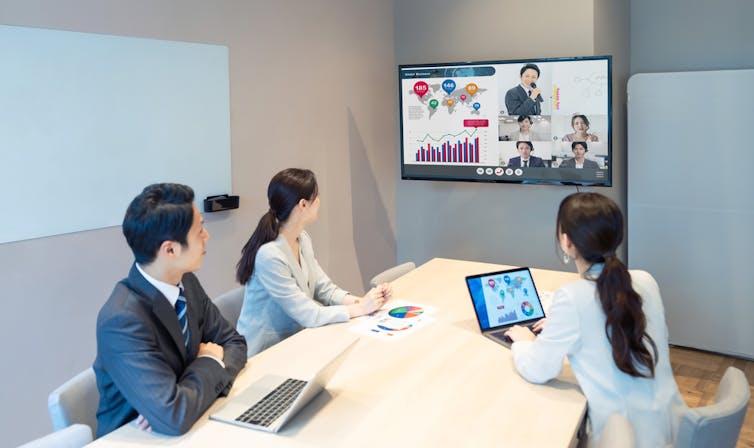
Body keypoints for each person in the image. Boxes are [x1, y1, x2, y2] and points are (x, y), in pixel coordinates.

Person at [505, 193, 686, 447]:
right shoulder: (645, 280)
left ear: (567, 242)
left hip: (623, 439)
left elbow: (540, 370)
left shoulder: (571, 297)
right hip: (674, 430)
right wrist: (563, 325)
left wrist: (523, 342)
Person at [93, 183, 247, 437]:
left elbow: (235, 344)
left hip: (188, 426)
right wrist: (209, 360)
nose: (207, 236)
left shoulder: (186, 282)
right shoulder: (121, 320)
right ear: (170, 249)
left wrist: (187, 390)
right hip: (138, 438)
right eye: (200, 230)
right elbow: (174, 416)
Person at [236, 168, 392, 357]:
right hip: (264, 354)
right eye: (315, 197)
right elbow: (308, 314)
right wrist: (360, 309)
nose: (319, 202)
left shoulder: (302, 239)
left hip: (295, 343)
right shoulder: (269, 256)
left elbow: (324, 288)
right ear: (303, 204)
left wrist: (365, 301)